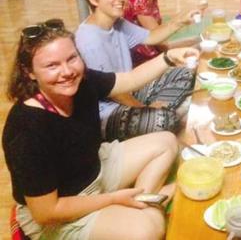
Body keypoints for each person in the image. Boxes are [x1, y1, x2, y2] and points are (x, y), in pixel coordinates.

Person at [3, 19, 196, 239]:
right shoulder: (26, 130)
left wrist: (169, 58)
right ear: (29, 72)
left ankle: (143, 201)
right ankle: (147, 203)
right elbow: (46, 213)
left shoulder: (81, 81)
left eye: (72, 58)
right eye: (51, 65)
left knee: (166, 142)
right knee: (148, 230)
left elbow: (130, 79)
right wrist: (113, 199)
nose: (66, 71)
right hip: (60, 211)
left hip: (94, 170)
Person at [75, 0, 201, 141]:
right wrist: (145, 108)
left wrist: (181, 20)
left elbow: (151, 37)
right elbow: (114, 93)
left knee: (186, 71)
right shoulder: (88, 40)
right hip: (108, 112)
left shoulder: (117, 22)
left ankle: (157, 114)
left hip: (130, 91)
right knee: (165, 120)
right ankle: (160, 115)